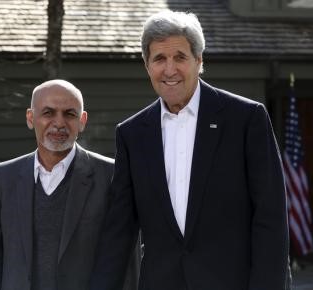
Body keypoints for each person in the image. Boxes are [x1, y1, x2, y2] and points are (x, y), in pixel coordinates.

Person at [89, 10, 289, 290]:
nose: (169, 70)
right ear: (147, 66)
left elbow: (270, 218)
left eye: (180, 57)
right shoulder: (132, 134)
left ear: (199, 60)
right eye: (159, 59)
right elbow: (119, 229)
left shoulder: (246, 119)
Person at [0, 79, 115, 290]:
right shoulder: (2, 178)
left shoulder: (111, 176)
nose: (59, 123)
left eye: (69, 114)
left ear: (82, 120)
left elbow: (124, 261)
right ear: (30, 118)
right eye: (48, 113)